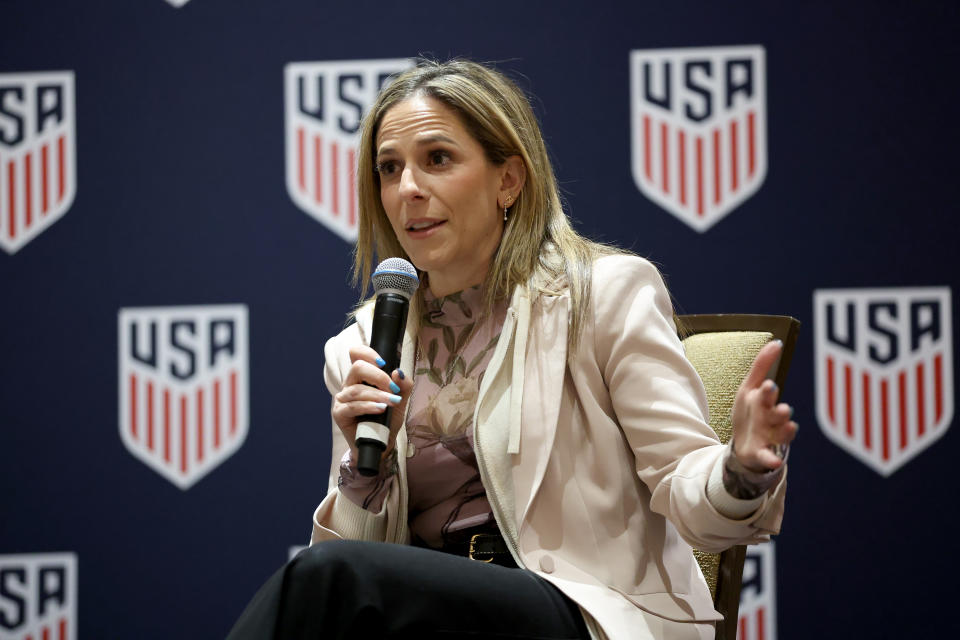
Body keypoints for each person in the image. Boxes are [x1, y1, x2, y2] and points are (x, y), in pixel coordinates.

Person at [228, 59, 796, 640]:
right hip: (431, 614)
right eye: (389, 169)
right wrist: (363, 472)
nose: (408, 190)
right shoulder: (367, 342)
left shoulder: (602, 294)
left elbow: (687, 490)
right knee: (333, 585)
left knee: (326, 578)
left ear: (509, 180)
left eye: (438, 160)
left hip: (575, 609)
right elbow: (362, 554)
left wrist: (742, 470)